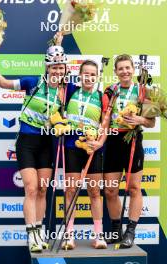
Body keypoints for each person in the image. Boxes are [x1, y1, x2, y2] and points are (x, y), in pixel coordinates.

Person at [0, 45, 68, 253]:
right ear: (47, 68)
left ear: (65, 70)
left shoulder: (65, 91)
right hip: (26, 142)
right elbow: (4, 84)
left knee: (43, 190)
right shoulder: (33, 82)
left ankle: (40, 232)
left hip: (46, 144)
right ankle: (31, 235)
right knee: (31, 189)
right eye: (54, 68)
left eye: (61, 68)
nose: (57, 72)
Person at [88, 54, 155, 248]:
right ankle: (116, 231)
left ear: (133, 69)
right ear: (115, 72)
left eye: (128, 68)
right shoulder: (111, 91)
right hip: (115, 141)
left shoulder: (144, 91)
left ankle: (130, 231)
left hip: (133, 139)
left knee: (134, 187)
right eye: (121, 69)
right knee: (110, 190)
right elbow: (106, 120)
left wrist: (140, 120)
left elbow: (151, 122)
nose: (125, 71)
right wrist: (100, 141)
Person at [60, 59, 107, 250]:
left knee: (94, 192)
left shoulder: (101, 96)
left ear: (96, 77)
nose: (89, 77)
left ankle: (99, 236)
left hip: (93, 149)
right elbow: (58, 71)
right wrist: (58, 43)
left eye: (92, 74)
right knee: (70, 190)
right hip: (72, 145)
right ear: (79, 75)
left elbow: (105, 125)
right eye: (85, 73)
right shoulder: (70, 89)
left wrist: (99, 143)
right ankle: (69, 237)